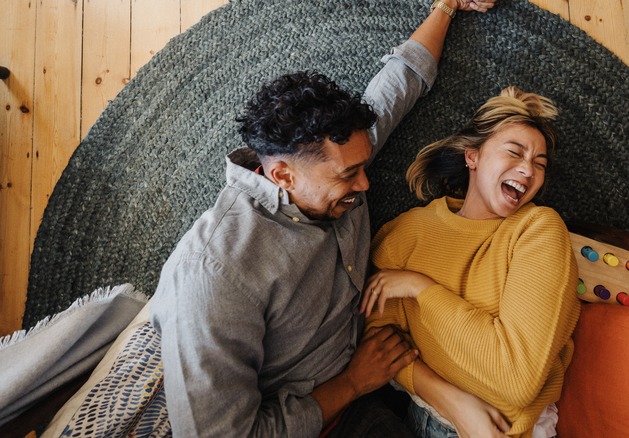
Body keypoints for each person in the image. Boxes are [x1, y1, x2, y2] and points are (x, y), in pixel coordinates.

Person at [150, 1, 497, 436]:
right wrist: (352, 382)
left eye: (363, 165)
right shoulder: (214, 274)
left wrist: (447, 6)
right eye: (350, 175)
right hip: (323, 416)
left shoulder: (334, 153)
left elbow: (401, 81)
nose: (367, 185)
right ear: (281, 175)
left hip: (375, 362)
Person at [360, 86, 581, 438]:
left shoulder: (537, 230)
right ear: (472, 157)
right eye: (515, 152)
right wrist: (451, 400)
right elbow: (379, 343)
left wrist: (421, 287)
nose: (528, 170)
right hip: (426, 418)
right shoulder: (406, 233)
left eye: (539, 164)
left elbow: (515, 381)